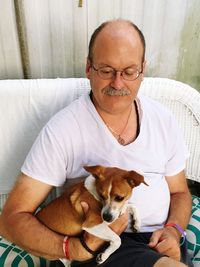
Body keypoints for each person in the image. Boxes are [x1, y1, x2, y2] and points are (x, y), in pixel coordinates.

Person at [0, 19, 193, 267]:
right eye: (106, 70)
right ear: (88, 68)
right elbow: (11, 219)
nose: (118, 83)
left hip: (162, 242)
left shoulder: (163, 120)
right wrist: (73, 249)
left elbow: (180, 192)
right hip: (105, 247)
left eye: (129, 71)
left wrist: (174, 230)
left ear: (142, 71)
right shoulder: (63, 130)